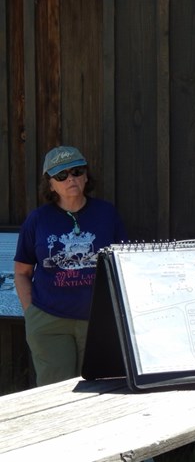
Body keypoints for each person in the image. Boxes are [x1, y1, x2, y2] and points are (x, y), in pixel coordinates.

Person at [14, 146, 128, 386]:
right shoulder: (38, 220)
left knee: (100, 389)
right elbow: (23, 272)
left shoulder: (107, 214)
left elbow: (124, 263)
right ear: (50, 184)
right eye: (61, 176)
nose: (71, 179)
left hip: (98, 320)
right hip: (49, 320)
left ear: (86, 176)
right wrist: (31, 312)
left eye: (76, 171)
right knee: (55, 391)